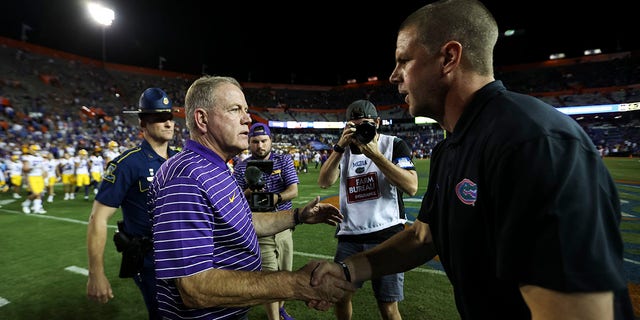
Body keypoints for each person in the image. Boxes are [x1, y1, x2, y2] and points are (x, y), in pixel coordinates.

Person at [310, 1, 636, 319]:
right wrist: (349, 269)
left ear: (449, 58)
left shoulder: (533, 143)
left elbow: (577, 310)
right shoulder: (454, 145)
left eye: (404, 60)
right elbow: (424, 236)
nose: (394, 75)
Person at [149, 75, 354, 320]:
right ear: (202, 119)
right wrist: (297, 284)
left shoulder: (217, 167)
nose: (248, 118)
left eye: (246, 110)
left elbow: (244, 222)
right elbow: (194, 287)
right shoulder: (186, 178)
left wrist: (298, 215)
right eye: (235, 110)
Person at [317, 99, 418, 320]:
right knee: (340, 296)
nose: (359, 130)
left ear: (377, 123)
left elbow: (411, 186)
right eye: (353, 125)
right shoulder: (343, 150)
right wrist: (339, 147)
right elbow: (324, 182)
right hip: (350, 236)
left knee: (388, 304)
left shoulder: (394, 144)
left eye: (365, 124)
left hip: (387, 233)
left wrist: (375, 155)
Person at [86, 87, 178, 320]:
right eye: (159, 117)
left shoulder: (181, 159)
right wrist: (96, 273)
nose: (168, 123)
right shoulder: (127, 164)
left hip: (185, 253)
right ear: (143, 123)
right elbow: (98, 218)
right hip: (152, 261)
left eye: (170, 116)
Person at [233, 122, 300, 320]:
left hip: (284, 225)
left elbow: (294, 190)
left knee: (286, 274)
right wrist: (249, 191)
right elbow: (234, 199)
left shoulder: (284, 160)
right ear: (249, 143)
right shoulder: (241, 167)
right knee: (270, 277)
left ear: (271, 141)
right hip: (260, 228)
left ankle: (278, 309)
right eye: (255, 141)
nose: (260, 145)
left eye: (263, 141)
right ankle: (275, 318)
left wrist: (275, 198)